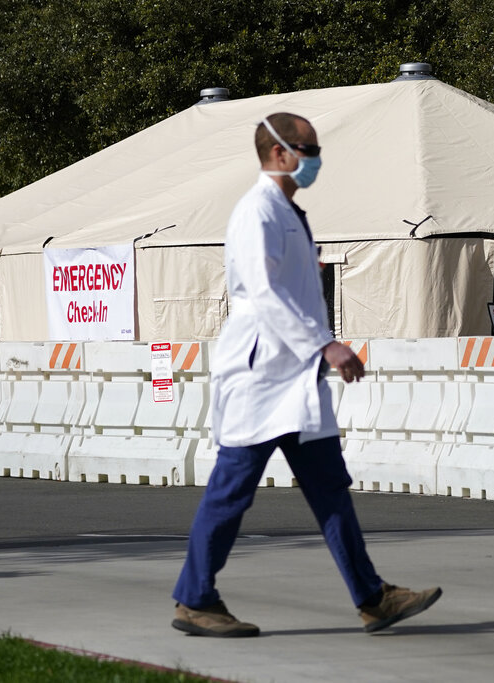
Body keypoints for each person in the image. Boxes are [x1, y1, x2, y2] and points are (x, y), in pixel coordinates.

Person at [171, 112, 441, 637]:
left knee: (330, 488)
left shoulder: (290, 212)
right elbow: (262, 293)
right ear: (278, 152)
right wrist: (327, 345)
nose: (316, 158)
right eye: (308, 148)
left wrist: (319, 351)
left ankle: (372, 597)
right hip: (258, 377)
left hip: (295, 379)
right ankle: (195, 598)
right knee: (231, 491)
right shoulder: (257, 212)